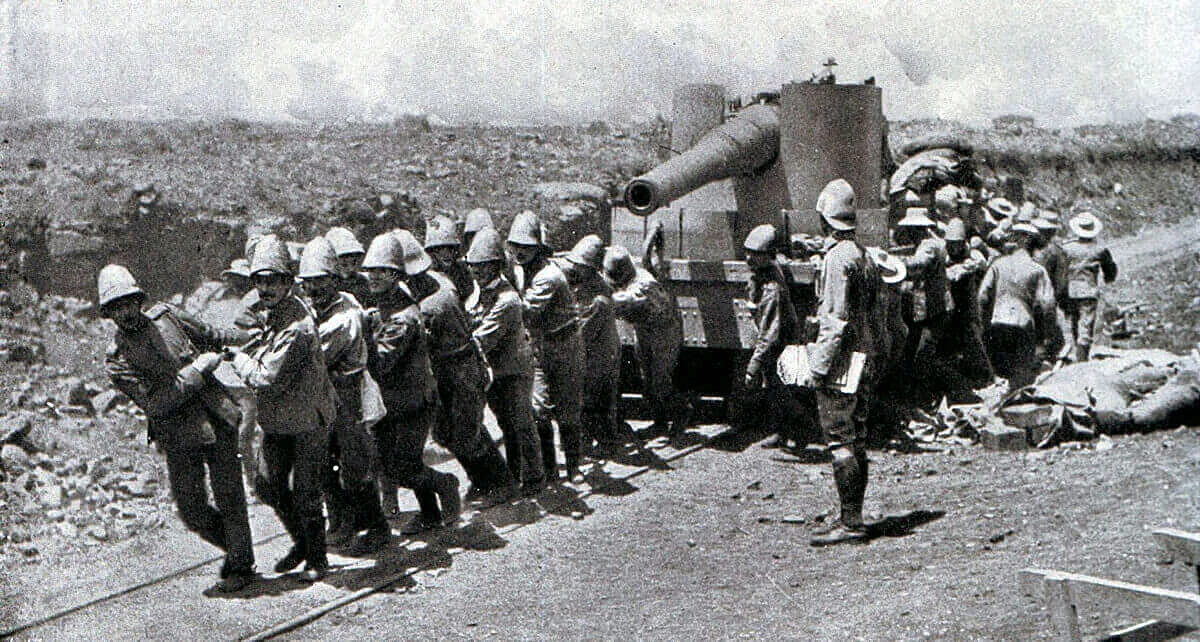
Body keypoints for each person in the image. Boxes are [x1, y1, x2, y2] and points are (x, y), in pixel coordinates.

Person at [101, 264, 256, 595]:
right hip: (177, 434)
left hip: (218, 416)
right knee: (192, 510)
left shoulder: (168, 316)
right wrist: (198, 370)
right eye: (116, 307)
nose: (125, 312)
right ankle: (236, 547)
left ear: (138, 300)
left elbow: (211, 335)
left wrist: (250, 339)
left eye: (128, 302)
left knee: (230, 495)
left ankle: (242, 564)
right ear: (109, 313)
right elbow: (156, 403)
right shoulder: (117, 359)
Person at [228, 235, 337, 582]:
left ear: (288, 283)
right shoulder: (275, 314)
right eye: (259, 281)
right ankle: (302, 542)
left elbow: (264, 375)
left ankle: (318, 559)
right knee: (266, 484)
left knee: (306, 492)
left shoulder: (296, 326)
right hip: (278, 420)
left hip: (307, 421)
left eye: (272, 281)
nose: (265, 288)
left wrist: (237, 358)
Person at [396, 229, 514, 504]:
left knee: (464, 433)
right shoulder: (436, 282)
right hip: (450, 367)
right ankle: (484, 480)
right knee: (453, 432)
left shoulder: (432, 301)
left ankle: (500, 483)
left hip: (458, 368)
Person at [361, 232, 461, 535]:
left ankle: (446, 484)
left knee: (403, 468)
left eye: (382, 272)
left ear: (395, 275)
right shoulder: (385, 303)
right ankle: (430, 514)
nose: (374, 277)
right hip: (393, 401)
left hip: (413, 403)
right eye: (371, 271)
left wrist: (362, 333)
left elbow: (380, 363)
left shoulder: (403, 317)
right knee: (397, 463)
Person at [296, 236, 390, 555]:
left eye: (320, 282)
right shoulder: (317, 307)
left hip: (346, 394)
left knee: (355, 465)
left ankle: (376, 526)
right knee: (322, 462)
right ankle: (340, 520)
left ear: (334, 281)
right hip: (323, 393)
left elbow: (312, 357)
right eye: (307, 283)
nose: (312, 290)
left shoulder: (344, 316)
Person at [802, 179, 876, 547]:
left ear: (824, 219)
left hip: (842, 362)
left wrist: (817, 367)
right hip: (863, 355)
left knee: (840, 441)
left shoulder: (835, 259)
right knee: (857, 439)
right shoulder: (862, 254)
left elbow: (833, 320)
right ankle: (853, 515)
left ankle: (850, 523)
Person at [507, 211, 586, 484]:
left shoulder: (548, 276)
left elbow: (525, 311)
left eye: (526, 247)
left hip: (564, 345)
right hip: (540, 347)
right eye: (515, 246)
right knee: (538, 409)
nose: (520, 252)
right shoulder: (519, 271)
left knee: (567, 408)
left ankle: (574, 466)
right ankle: (550, 467)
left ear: (538, 248)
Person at [465, 227, 546, 494]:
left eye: (483, 267)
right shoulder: (476, 295)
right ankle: (513, 474)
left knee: (522, 423)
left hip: (515, 371)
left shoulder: (508, 299)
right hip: (494, 371)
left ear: (496, 266)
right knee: (505, 424)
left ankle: (534, 476)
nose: (477, 272)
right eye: (473, 267)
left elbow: (482, 336)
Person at [604, 244, 688, 436]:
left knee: (660, 382)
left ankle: (682, 413)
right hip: (644, 331)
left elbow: (626, 300)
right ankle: (660, 423)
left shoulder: (644, 283)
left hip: (663, 333)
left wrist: (604, 298)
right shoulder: (627, 278)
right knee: (647, 381)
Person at [978, 222, 1061, 391]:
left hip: (997, 324)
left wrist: (982, 325)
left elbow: (982, 297)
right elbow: (1047, 305)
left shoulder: (998, 265)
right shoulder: (1037, 270)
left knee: (1000, 376)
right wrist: (1047, 334)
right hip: (1022, 326)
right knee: (1020, 378)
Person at [741, 223, 802, 447]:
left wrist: (753, 365)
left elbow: (769, 332)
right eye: (747, 252)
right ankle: (781, 431)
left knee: (779, 387)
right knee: (774, 388)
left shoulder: (772, 289)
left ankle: (800, 427)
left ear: (768, 256)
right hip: (776, 340)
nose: (748, 258)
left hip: (779, 343)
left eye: (755, 255)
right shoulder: (766, 270)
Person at [561, 235, 623, 452]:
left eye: (581, 265)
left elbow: (583, 332)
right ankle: (589, 441)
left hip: (600, 358)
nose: (576, 268)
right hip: (596, 354)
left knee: (596, 402)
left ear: (591, 268)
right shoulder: (588, 284)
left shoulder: (598, 298)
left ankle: (606, 443)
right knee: (591, 401)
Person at [892, 207, 951, 404]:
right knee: (919, 351)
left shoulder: (929, 245)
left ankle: (924, 398)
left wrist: (891, 260)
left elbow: (918, 264)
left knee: (922, 355)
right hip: (934, 307)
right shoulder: (931, 242)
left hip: (934, 309)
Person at [942, 218, 993, 387]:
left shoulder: (974, 255)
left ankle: (985, 374)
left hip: (971, 302)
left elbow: (979, 264)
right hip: (952, 303)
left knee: (973, 337)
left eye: (957, 244)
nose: (953, 248)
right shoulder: (945, 254)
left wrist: (963, 268)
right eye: (950, 244)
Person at [1062, 212, 1118, 362]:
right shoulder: (1099, 249)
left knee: (1074, 321)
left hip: (1071, 290)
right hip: (1088, 291)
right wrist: (1108, 279)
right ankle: (1082, 358)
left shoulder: (1067, 248)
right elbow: (1110, 269)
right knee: (1086, 325)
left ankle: (1077, 352)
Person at [424, 214, 477, 305]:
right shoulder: (428, 277)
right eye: (439, 249)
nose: (445, 254)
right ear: (431, 252)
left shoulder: (463, 272)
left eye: (450, 248)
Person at [325, 227, 372, 307]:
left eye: (353, 263)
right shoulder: (326, 285)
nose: (350, 269)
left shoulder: (364, 282)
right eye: (344, 264)